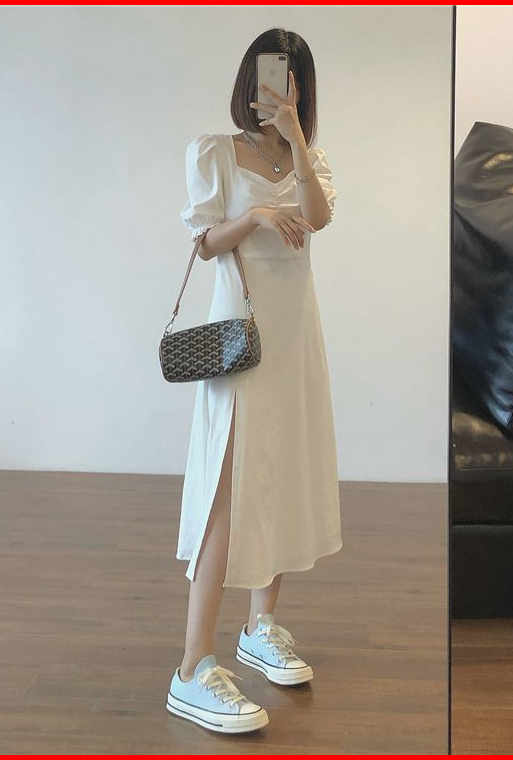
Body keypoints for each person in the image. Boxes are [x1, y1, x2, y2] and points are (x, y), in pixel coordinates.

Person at [165, 28, 342, 734]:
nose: (279, 88)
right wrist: (258, 216)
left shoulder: (309, 159)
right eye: (272, 75)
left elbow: (320, 217)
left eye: (292, 79)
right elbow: (205, 242)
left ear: (303, 89)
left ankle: (259, 627)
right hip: (240, 339)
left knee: (281, 473)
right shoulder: (213, 151)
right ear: (251, 79)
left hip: (296, 338)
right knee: (227, 489)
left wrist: (294, 139)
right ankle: (191, 667)